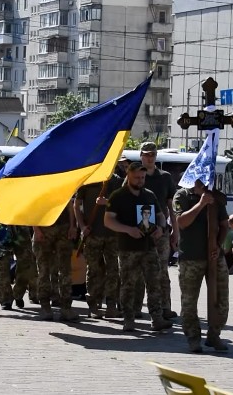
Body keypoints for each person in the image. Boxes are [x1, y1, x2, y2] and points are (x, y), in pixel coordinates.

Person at [104, 162, 174, 332]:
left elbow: (160, 215)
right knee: (128, 284)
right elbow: (108, 221)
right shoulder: (118, 196)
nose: (140, 180)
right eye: (136, 177)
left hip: (149, 246)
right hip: (127, 248)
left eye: (142, 177)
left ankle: (156, 318)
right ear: (128, 176)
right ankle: (128, 319)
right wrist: (128, 230)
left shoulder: (149, 195)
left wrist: (160, 227)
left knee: (154, 283)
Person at [173, 178, 229, 353]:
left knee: (221, 299)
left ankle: (214, 335)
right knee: (189, 301)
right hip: (191, 257)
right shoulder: (182, 195)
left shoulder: (215, 196)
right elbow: (182, 222)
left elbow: (224, 225)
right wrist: (201, 204)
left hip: (214, 256)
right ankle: (193, 338)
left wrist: (218, 245)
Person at [137, 142, 178, 320]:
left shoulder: (165, 177)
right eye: (146, 155)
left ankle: (165, 307)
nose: (149, 158)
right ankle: (135, 307)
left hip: (161, 230)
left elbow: (171, 206)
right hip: (139, 229)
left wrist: (175, 231)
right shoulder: (135, 175)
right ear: (141, 156)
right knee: (138, 270)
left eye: (152, 154)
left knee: (162, 270)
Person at [74, 172, 123, 319]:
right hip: (93, 233)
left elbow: (123, 205)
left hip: (112, 234)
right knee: (93, 270)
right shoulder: (88, 179)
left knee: (113, 270)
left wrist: (107, 202)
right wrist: (82, 227)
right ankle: (93, 305)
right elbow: (76, 205)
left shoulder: (117, 181)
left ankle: (111, 305)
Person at [34, 198, 79, 322]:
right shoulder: (38, 186)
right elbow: (32, 208)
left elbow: (69, 204)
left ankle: (66, 308)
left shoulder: (62, 184)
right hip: (44, 228)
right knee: (44, 271)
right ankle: (45, 307)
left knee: (65, 270)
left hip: (63, 229)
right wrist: (36, 229)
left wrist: (72, 226)